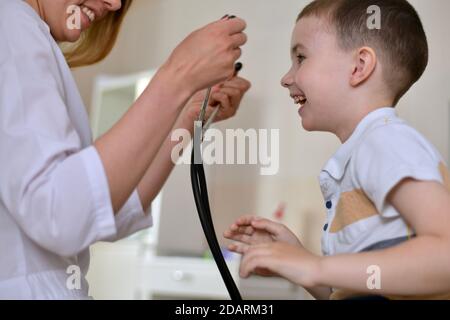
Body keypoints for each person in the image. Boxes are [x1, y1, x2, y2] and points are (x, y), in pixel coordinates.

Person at [0, 0, 251, 299]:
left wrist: (187, 118)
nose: (115, 4)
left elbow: (106, 210)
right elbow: (61, 214)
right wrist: (177, 76)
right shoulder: (11, 25)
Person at [225, 0, 450, 300]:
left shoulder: (384, 142)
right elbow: (355, 291)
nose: (286, 78)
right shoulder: (366, 152)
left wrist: (315, 266)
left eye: (301, 57)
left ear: (359, 67)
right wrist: (295, 258)